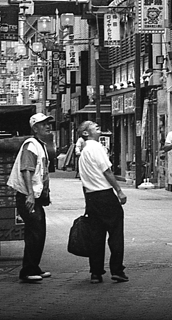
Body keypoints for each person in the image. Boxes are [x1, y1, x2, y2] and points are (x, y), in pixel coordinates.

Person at [77, 120, 128, 284]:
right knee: (115, 233)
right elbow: (107, 171)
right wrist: (119, 191)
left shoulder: (84, 151)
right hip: (105, 195)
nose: (98, 127)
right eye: (93, 126)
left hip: (91, 197)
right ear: (86, 132)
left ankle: (96, 272)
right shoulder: (95, 147)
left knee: (96, 235)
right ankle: (117, 269)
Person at [7, 112, 55, 283]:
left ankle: (33, 267)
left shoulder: (39, 144)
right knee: (36, 232)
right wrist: (29, 195)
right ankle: (28, 271)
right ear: (35, 128)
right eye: (43, 124)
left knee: (37, 232)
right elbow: (26, 169)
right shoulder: (31, 145)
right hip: (28, 196)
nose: (48, 126)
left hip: (34, 196)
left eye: (48, 124)